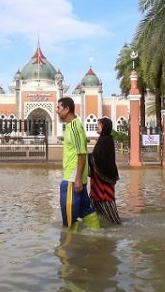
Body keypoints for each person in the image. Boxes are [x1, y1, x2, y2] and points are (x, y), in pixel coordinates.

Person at [56, 97, 101, 230]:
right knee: (83, 208)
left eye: (59, 108)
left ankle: (68, 244)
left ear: (67, 109)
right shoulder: (70, 126)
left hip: (72, 177)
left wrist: (77, 179)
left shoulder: (75, 126)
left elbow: (81, 153)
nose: (57, 111)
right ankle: (97, 233)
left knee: (69, 213)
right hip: (74, 176)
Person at [89, 117, 121, 224]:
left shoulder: (106, 140)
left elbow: (101, 158)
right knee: (94, 203)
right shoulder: (103, 139)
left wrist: (89, 157)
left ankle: (115, 224)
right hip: (98, 181)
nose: (96, 126)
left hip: (104, 180)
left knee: (106, 202)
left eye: (99, 124)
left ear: (104, 127)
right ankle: (97, 225)